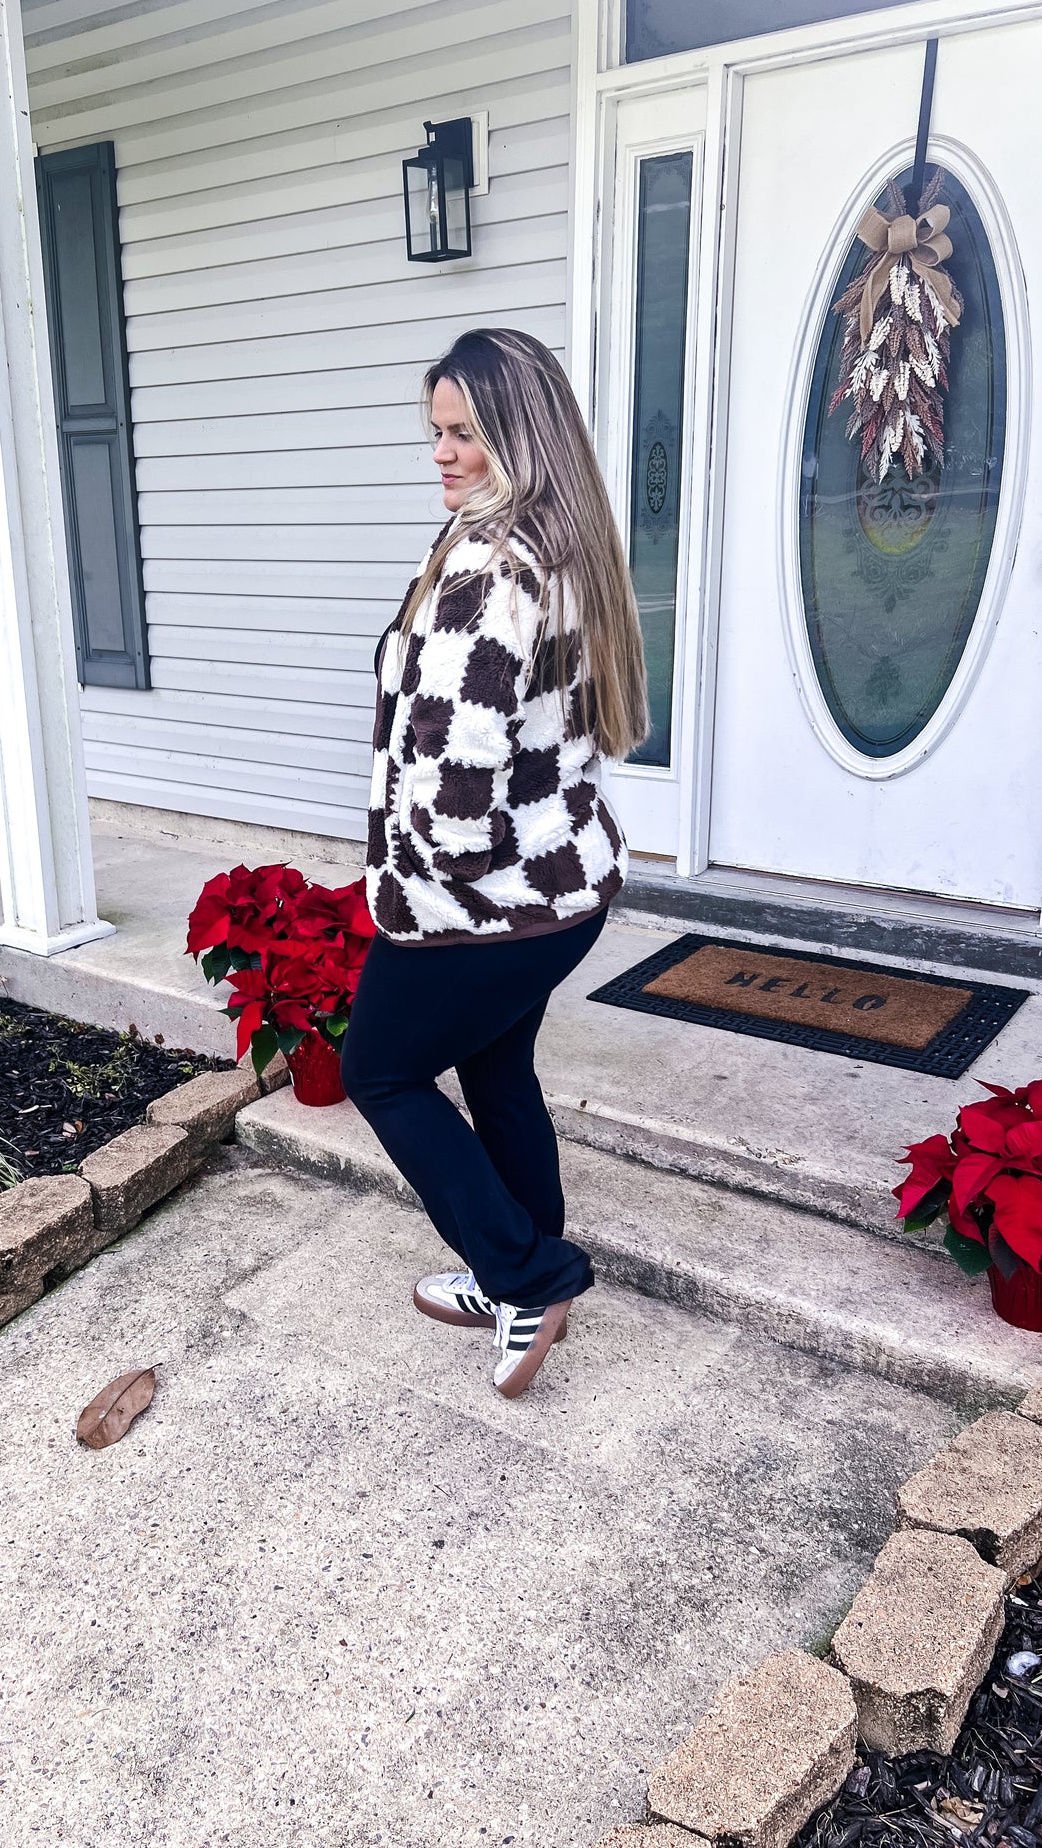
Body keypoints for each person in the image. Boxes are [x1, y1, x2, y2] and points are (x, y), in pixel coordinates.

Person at [339, 327, 648, 1399]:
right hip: (564, 887)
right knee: (497, 1070)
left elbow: (453, 796)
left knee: (375, 1070)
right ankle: (507, 1263)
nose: (441, 453)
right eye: (433, 431)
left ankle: (525, 1273)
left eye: (463, 433)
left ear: (518, 434)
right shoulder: (563, 542)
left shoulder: (488, 569)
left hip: (481, 901)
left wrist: (411, 887)